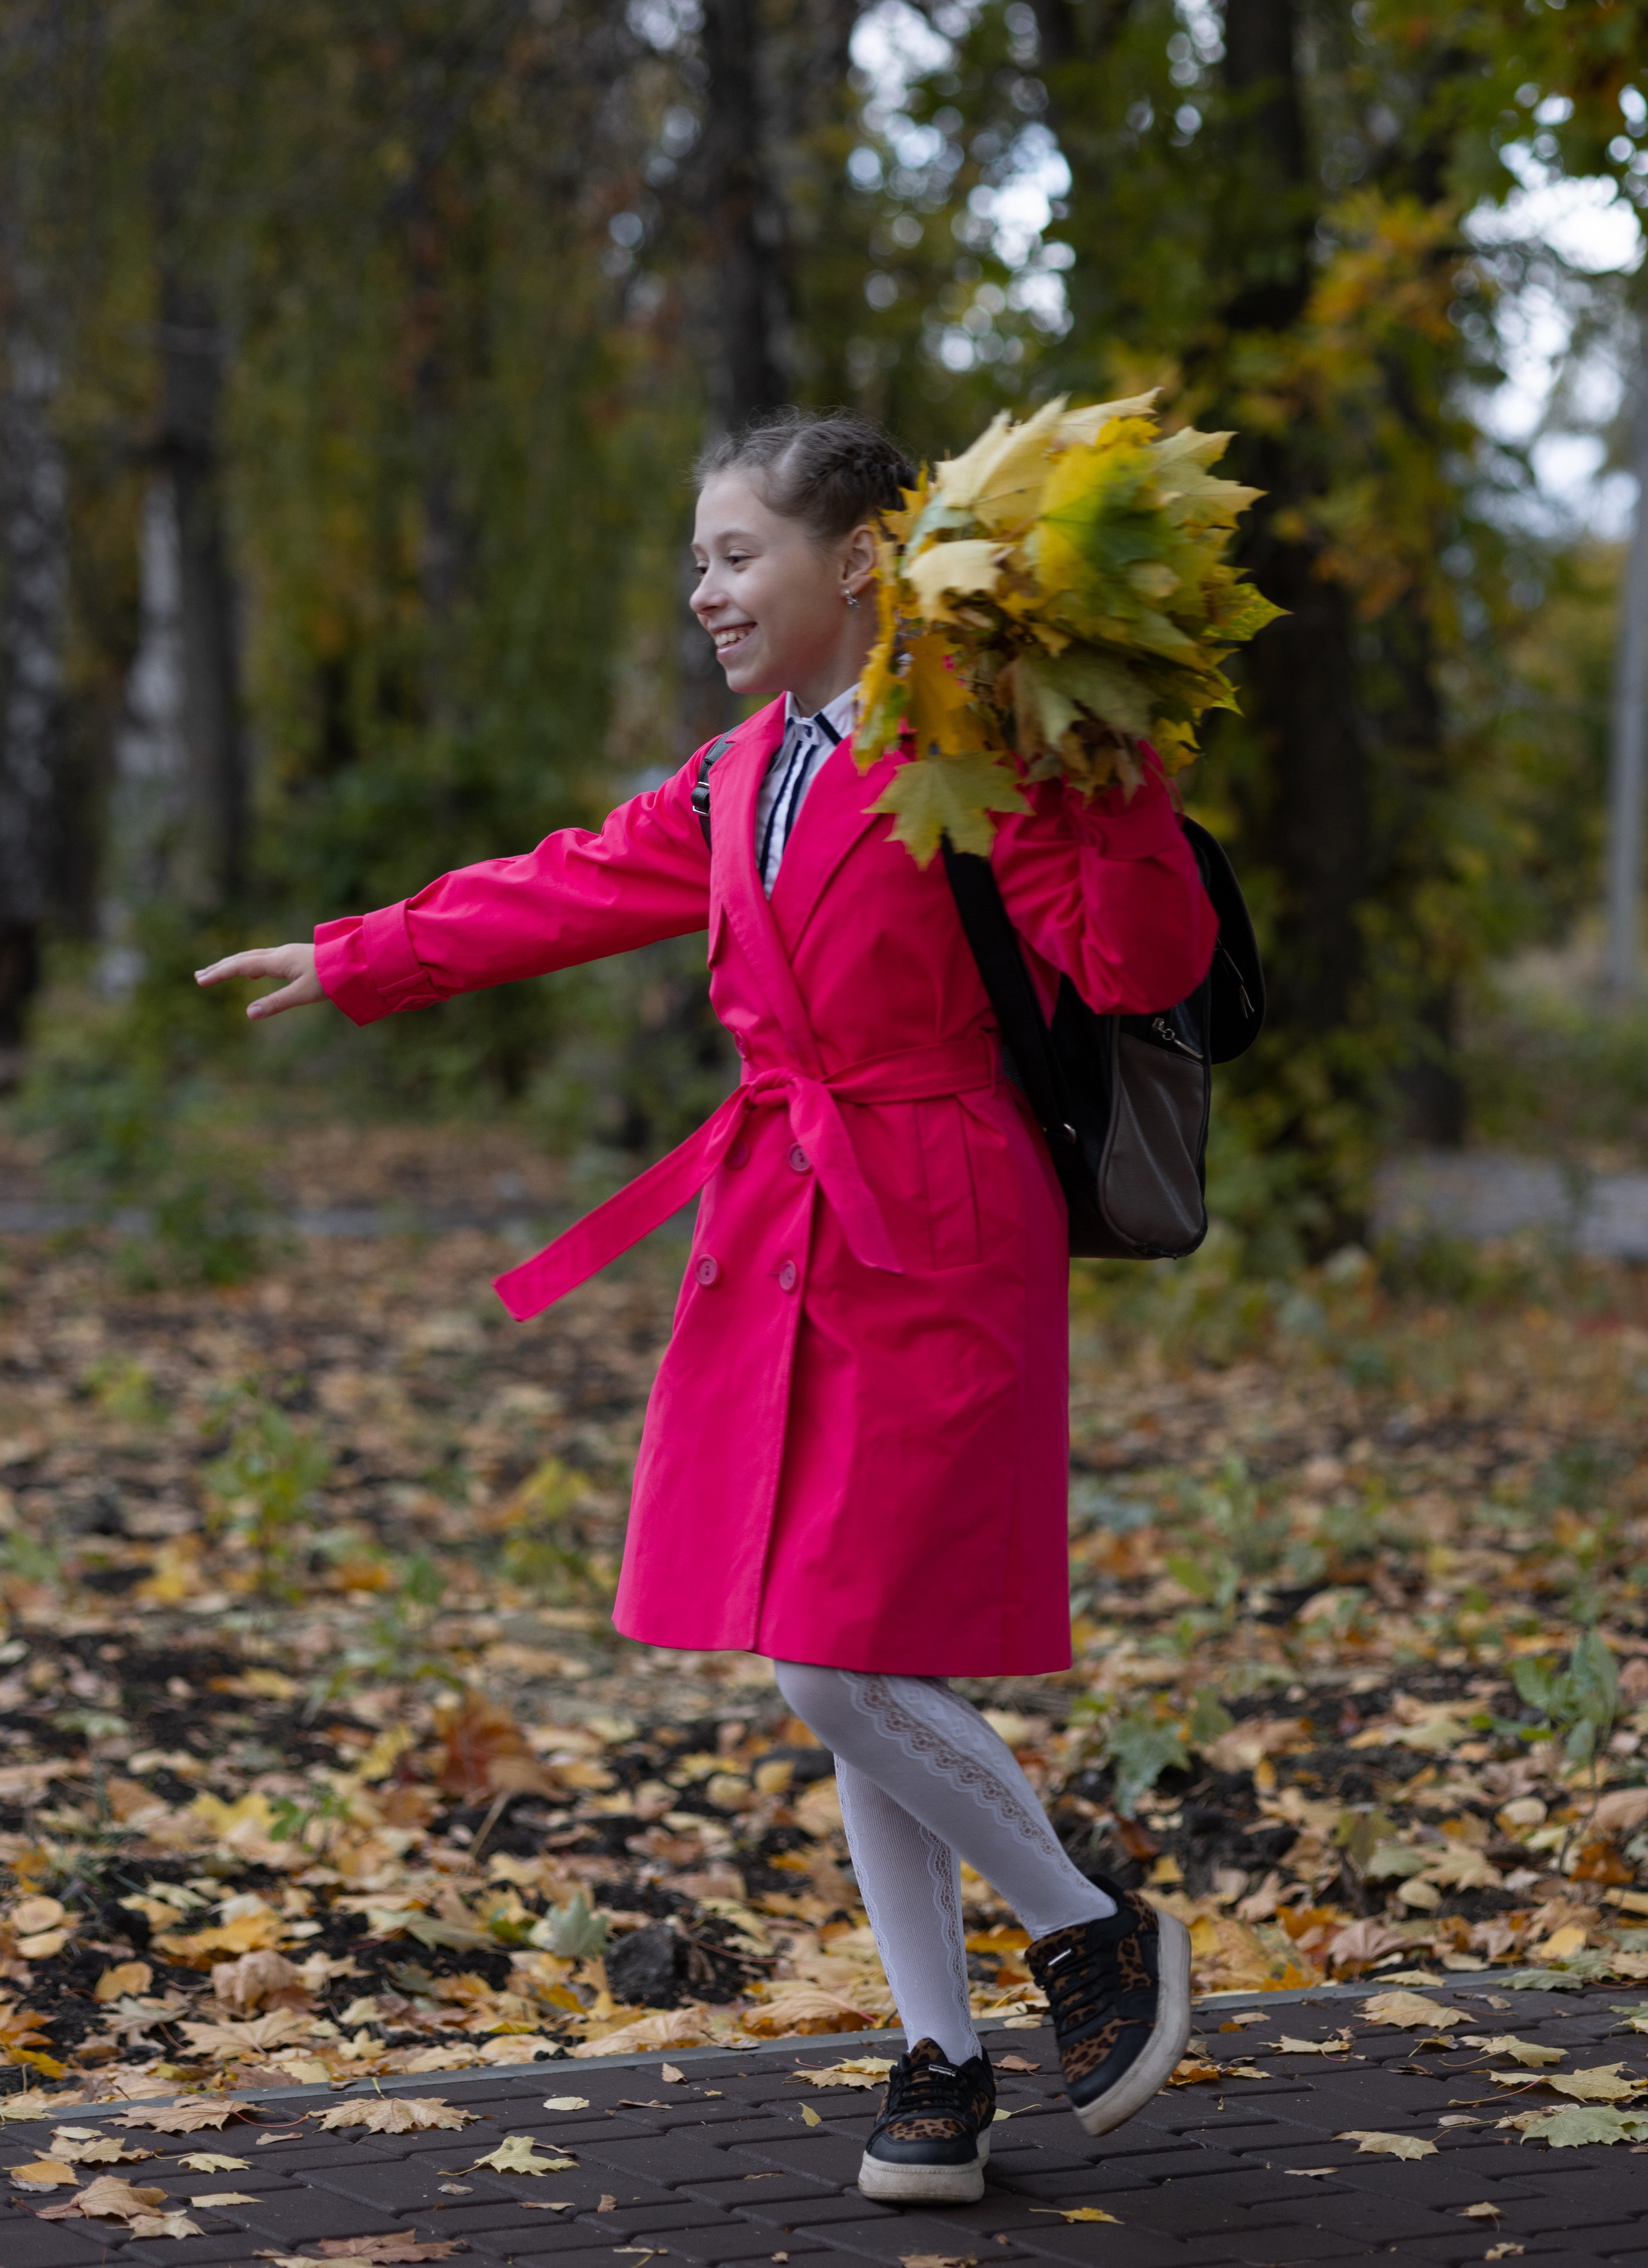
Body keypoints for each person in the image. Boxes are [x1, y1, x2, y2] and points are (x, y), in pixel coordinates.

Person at [197, 413, 1217, 2206]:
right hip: (778, 1231)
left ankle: (1086, 1928)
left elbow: (1144, 965)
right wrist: (363, 952)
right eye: (699, 560)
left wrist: (1114, 771)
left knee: (835, 1652)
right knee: (849, 1650)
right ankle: (941, 2062)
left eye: (736, 555)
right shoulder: (743, 772)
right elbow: (577, 880)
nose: (705, 592)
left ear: (860, 563)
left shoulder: (996, 748)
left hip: (943, 1224)